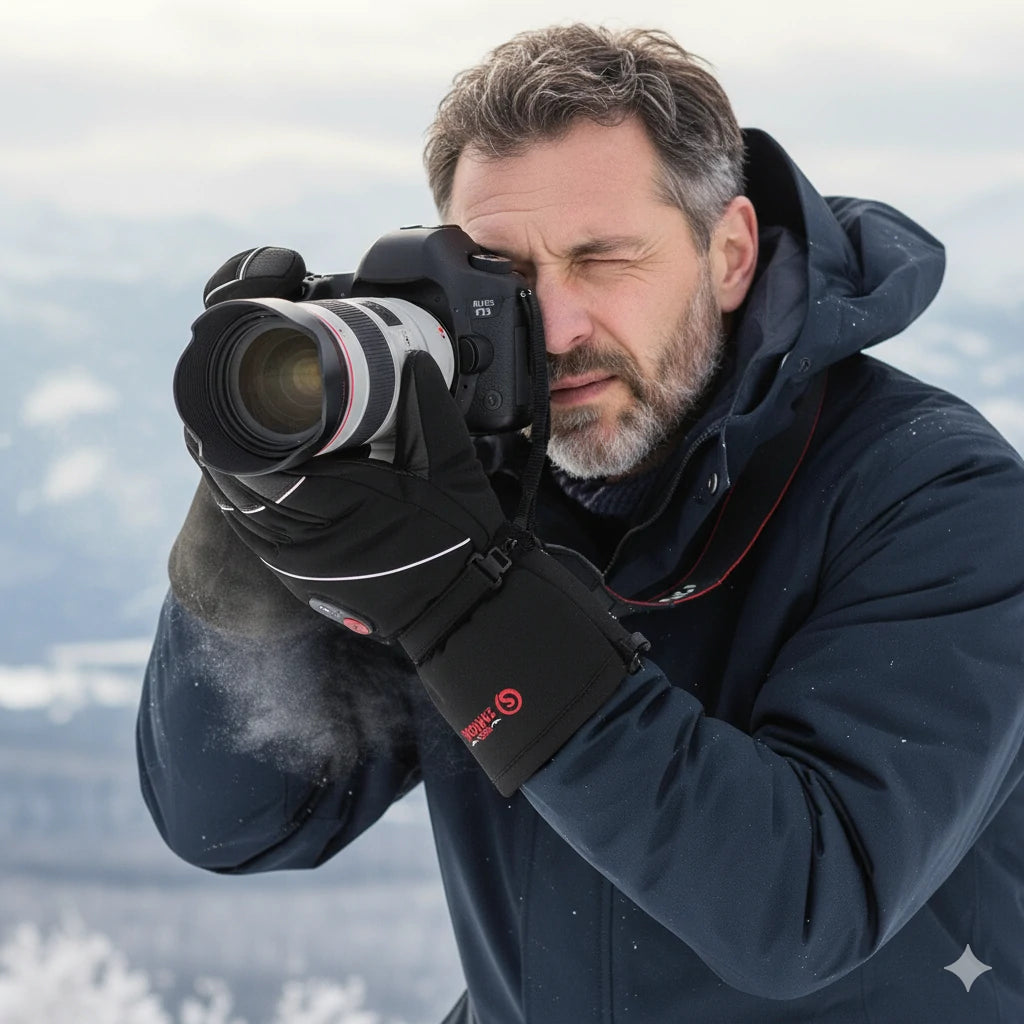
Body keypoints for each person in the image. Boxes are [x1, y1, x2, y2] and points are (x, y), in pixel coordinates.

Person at [137, 23, 1024, 1023]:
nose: (553, 328)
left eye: (602, 260)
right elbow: (240, 821)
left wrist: (467, 603)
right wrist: (255, 515)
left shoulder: (935, 498)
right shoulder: (473, 479)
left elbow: (801, 906)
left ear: (727, 253)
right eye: (506, 276)